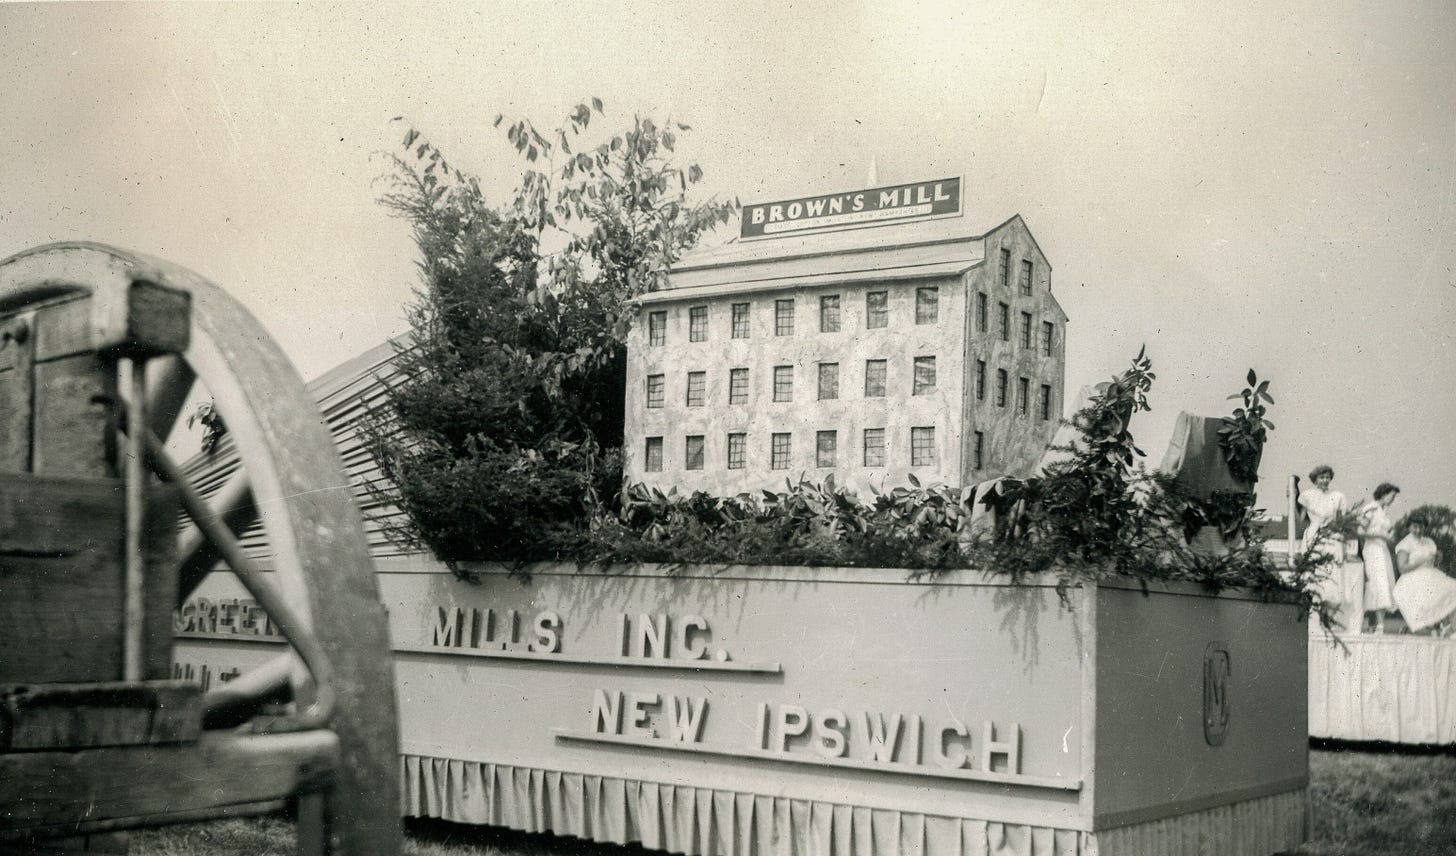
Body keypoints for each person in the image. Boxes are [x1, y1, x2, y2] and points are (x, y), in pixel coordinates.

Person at [1392, 520, 1456, 634]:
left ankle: (1449, 626)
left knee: (1452, 588)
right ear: (1409, 527)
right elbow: (1402, 568)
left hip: (1431, 574)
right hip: (1412, 577)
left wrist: (1437, 558)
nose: (1418, 530)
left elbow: (1434, 563)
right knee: (1431, 593)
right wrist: (1420, 561)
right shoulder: (1405, 544)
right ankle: (1440, 627)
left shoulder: (1429, 542)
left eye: (1421, 527)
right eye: (1415, 527)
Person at [1356, 483, 1399, 633]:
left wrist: (1389, 536)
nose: (1392, 500)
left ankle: (1376, 625)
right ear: (1383, 493)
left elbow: (1387, 532)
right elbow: (1360, 531)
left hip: (1383, 550)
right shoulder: (1371, 508)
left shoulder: (1384, 511)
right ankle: (1370, 624)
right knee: (1375, 584)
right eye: (1391, 496)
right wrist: (1380, 535)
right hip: (1372, 550)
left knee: (1384, 584)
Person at [1299, 465, 1348, 557]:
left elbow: (1341, 520)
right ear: (1315, 479)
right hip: (1314, 533)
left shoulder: (1338, 496)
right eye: (1321, 478)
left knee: (1333, 561)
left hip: (1332, 534)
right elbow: (1302, 519)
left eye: (1327, 477)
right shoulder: (1307, 495)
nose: (1325, 480)